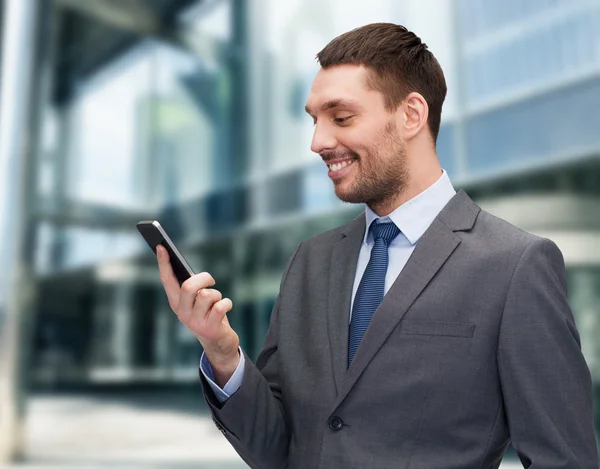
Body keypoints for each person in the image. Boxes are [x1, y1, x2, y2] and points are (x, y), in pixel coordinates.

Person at [156, 23, 599, 468]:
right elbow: (278, 450)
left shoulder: (513, 264)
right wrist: (222, 351)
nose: (318, 142)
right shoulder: (311, 261)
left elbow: (563, 459)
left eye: (341, 117)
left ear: (411, 115)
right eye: (314, 120)